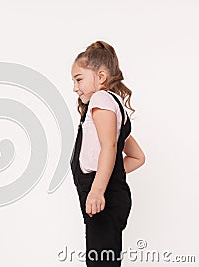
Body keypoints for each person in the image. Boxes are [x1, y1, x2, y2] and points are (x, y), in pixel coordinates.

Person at [70, 41, 145, 266]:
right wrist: (112, 174)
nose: (75, 87)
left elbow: (109, 147)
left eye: (79, 79)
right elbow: (137, 157)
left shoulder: (101, 100)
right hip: (109, 196)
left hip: (104, 197)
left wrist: (97, 189)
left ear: (101, 76)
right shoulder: (114, 106)